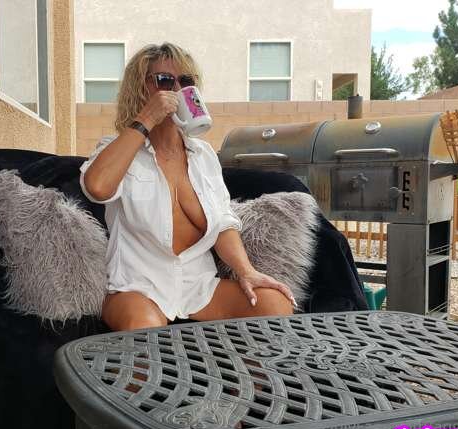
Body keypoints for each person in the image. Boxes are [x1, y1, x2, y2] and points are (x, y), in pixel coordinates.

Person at [80, 42, 296, 331]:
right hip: (137, 287)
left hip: (198, 285)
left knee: (274, 305)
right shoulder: (119, 149)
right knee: (145, 329)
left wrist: (247, 271)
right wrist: (146, 119)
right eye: (164, 80)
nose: (177, 89)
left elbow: (222, 222)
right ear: (140, 89)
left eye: (185, 81)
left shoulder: (203, 155)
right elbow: (96, 187)